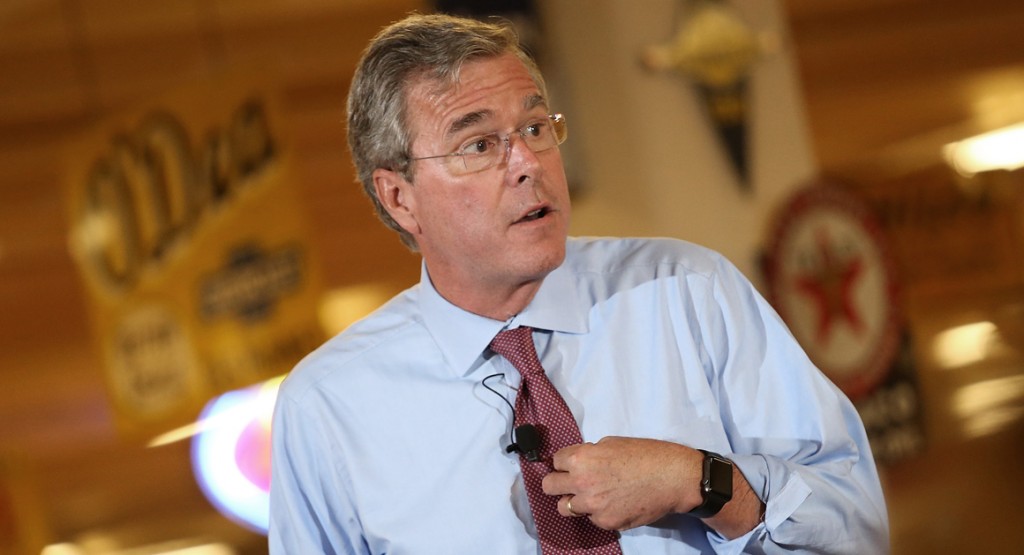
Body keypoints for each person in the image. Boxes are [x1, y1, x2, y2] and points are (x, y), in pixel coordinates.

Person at [269, 12, 889, 554]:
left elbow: (857, 528)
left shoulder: (688, 292)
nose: (527, 165)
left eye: (536, 128)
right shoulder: (328, 408)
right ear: (400, 198)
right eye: (480, 144)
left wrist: (701, 482)